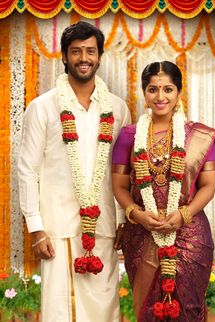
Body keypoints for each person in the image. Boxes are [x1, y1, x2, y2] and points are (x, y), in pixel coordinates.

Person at [18, 21, 130, 322]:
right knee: (60, 312)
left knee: (104, 311)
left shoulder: (118, 110)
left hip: (103, 226)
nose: (84, 58)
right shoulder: (42, 108)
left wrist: (122, 220)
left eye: (90, 51)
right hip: (57, 229)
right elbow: (27, 170)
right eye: (76, 51)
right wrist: (37, 228)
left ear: (100, 56)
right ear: (65, 57)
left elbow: (123, 172)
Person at [112, 61, 215, 321]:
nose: (160, 97)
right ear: (144, 94)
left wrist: (184, 213)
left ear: (179, 93)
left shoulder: (199, 135)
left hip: (190, 236)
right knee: (147, 309)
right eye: (153, 89)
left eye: (168, 89)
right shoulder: (129, 135)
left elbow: (208, 186)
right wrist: (137, 214)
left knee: (189, 309)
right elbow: (119, 186)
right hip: (141, 234)